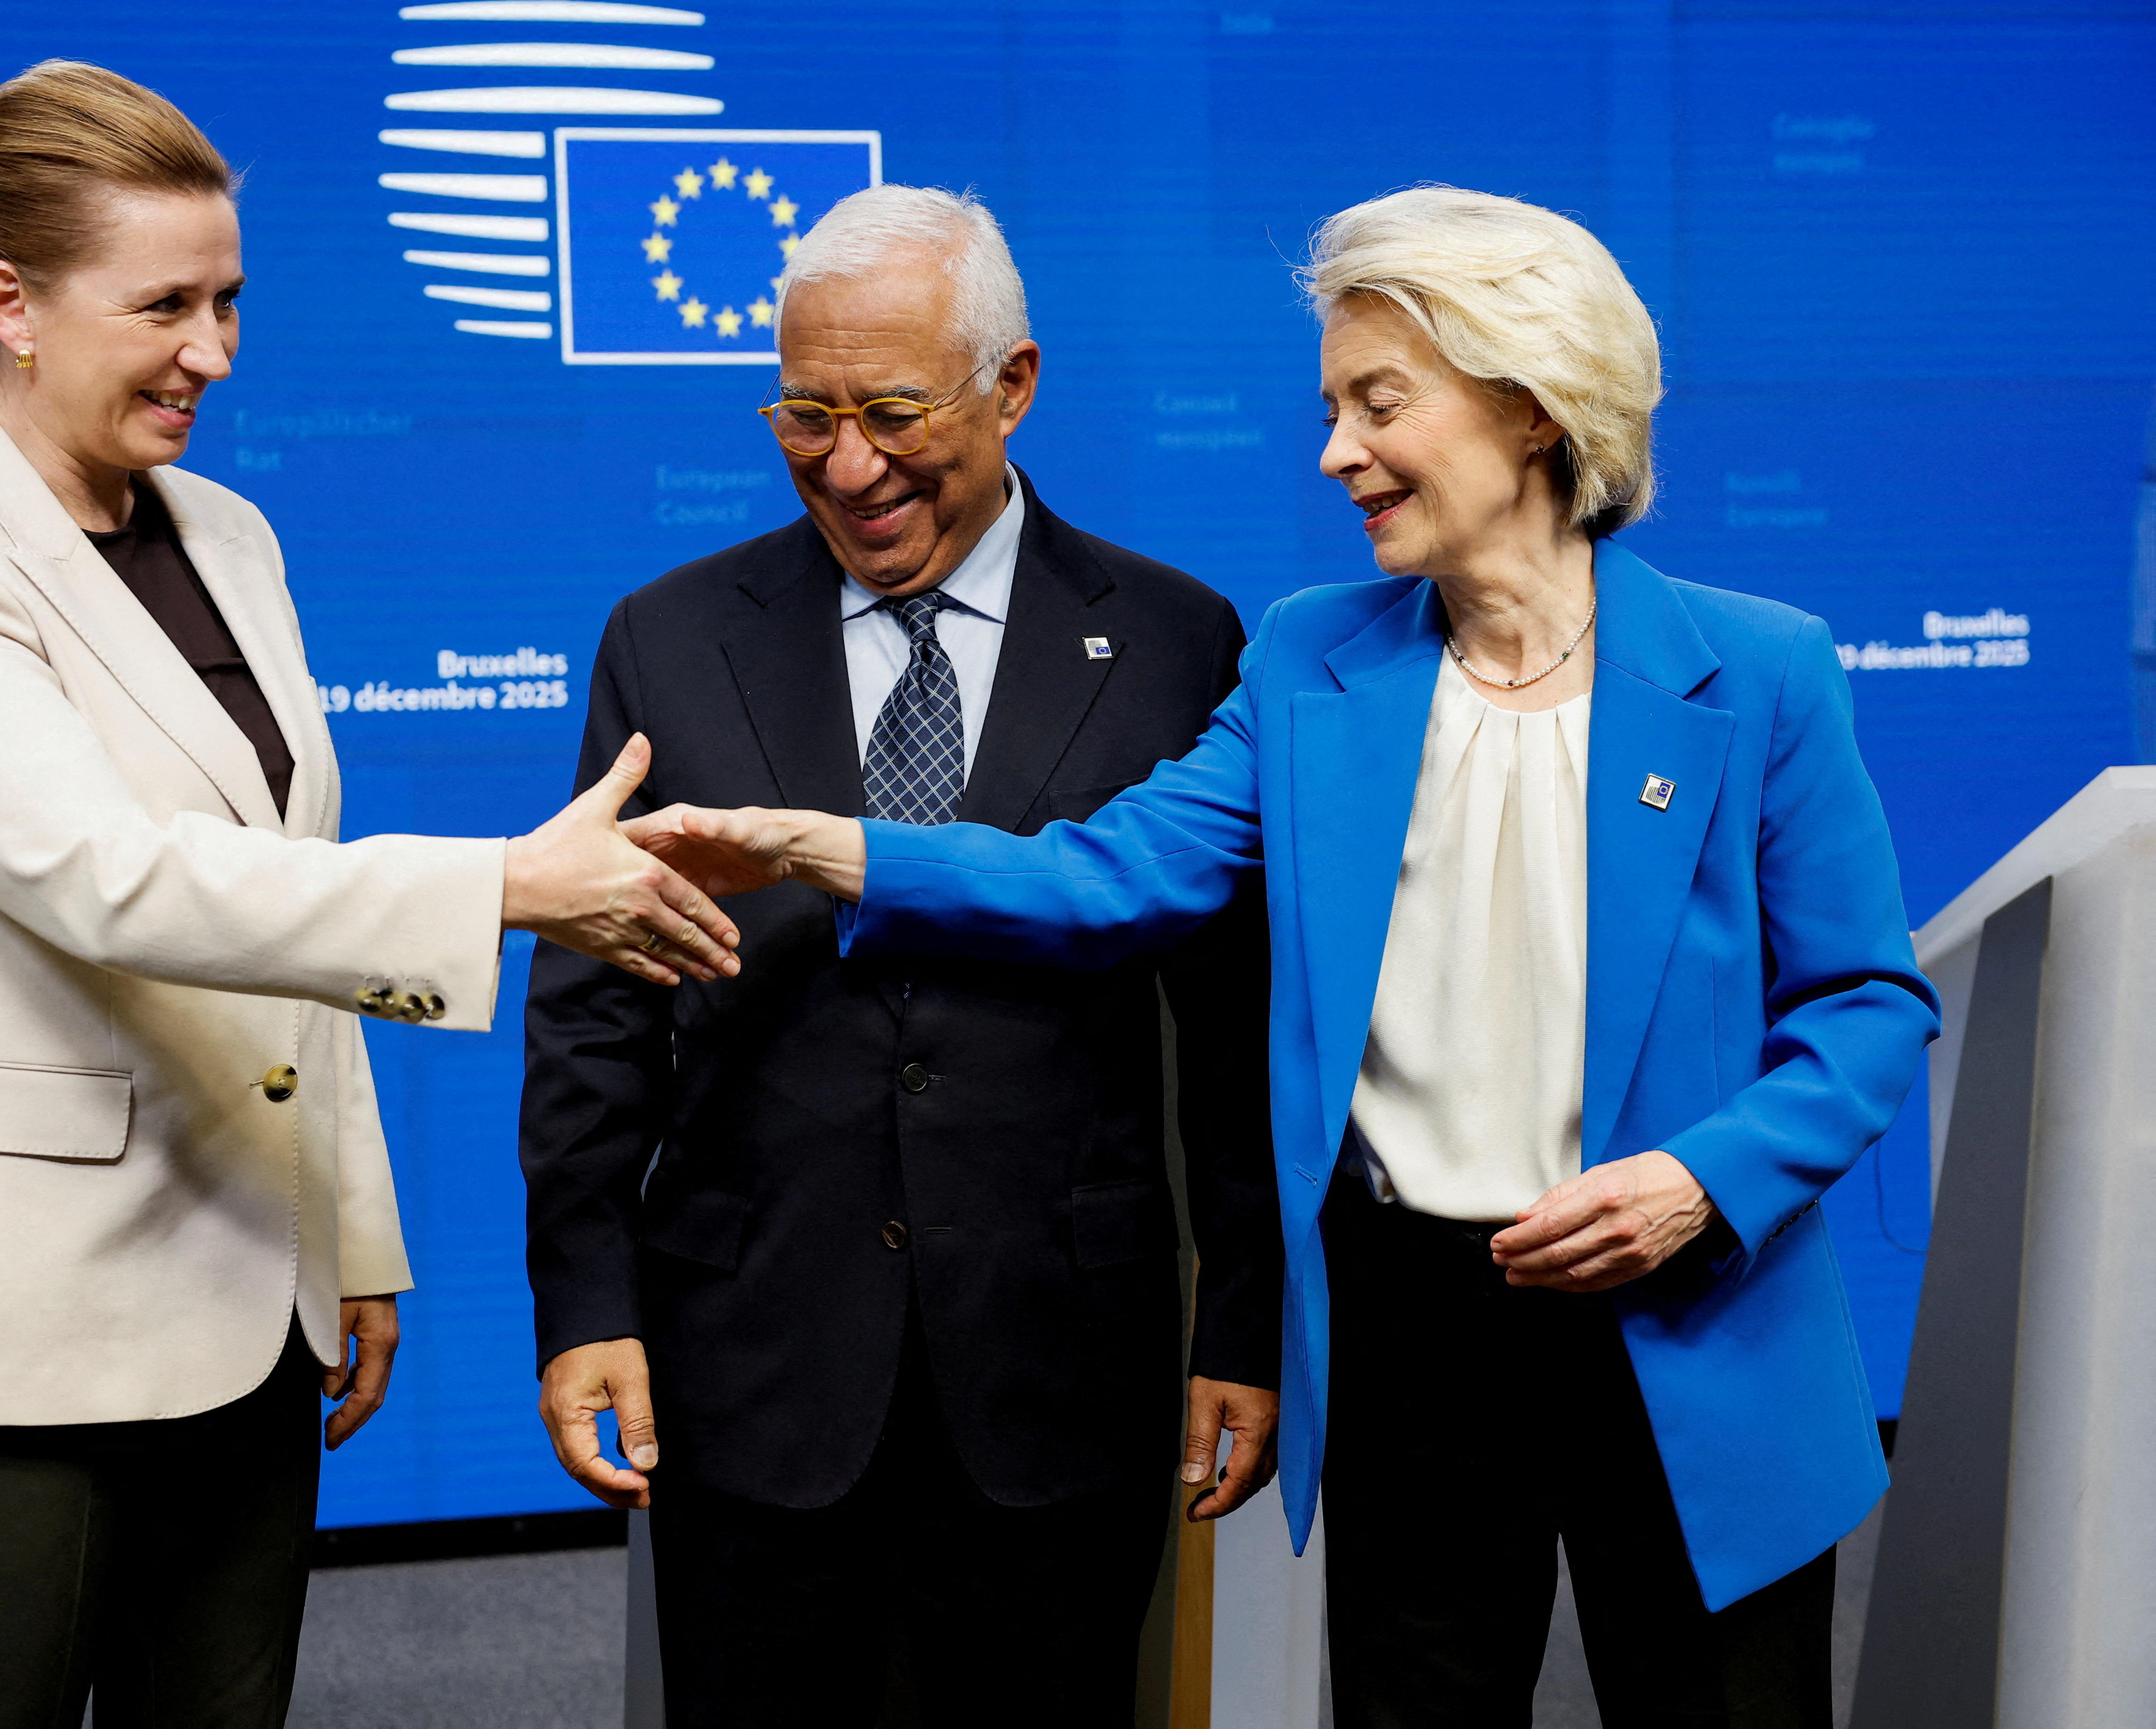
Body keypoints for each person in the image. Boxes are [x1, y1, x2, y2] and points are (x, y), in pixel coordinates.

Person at [626, 186, 1942, 1728]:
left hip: (1688, 1316)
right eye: (1331, 408)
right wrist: (823, 844)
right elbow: (1106, 875)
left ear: (1529, 411)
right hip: (1415, 1337)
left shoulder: (1760, 670)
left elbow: (1865, 1003)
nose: (1335, 453)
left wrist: (1699, 1180)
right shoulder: (1312, 658)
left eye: (1379, 404)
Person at [0, 61, 735, 1729]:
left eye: (229, 300)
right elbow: (108, 880)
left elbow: (283, 893)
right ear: (8, 302)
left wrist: (347, 1233)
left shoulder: (227, 531)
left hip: (247, 1301)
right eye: (164, 305)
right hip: (0, 1334)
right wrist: (510, 884)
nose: (213, 354)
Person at [520, 185, 1284, 1727]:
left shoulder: (1173, 639)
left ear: (1011, 387)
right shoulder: (669, 635)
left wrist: (1243, 1325)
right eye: (804, 414)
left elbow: (1234, 1026)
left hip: (1058, 1362)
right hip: (754, 1357)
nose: (848, 466)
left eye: (889, 410)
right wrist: (586, 1301)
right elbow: (595, 1012)